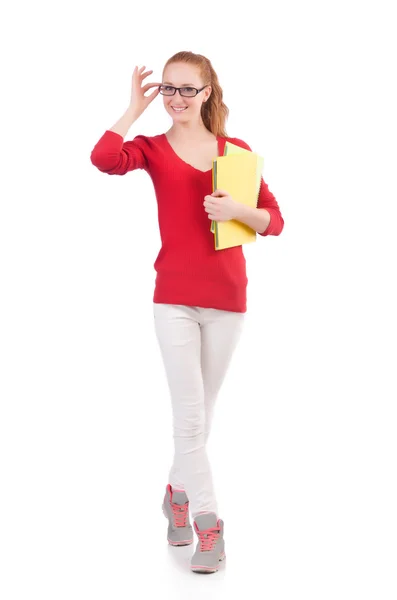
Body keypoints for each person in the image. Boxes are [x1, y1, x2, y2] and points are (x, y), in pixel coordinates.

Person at [90, 51, 284, 574]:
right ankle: (208, 524)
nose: (175, 98)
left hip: (227, 301)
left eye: (186, 89)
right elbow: (104, 159)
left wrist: (238, 211)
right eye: (168, 89)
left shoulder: (235, 153)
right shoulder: (151, 148)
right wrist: (132, 109)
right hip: (173, 299)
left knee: (200, 419)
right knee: (190, 419)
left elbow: (276, 222)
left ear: (207, 93)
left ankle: (175, 492)